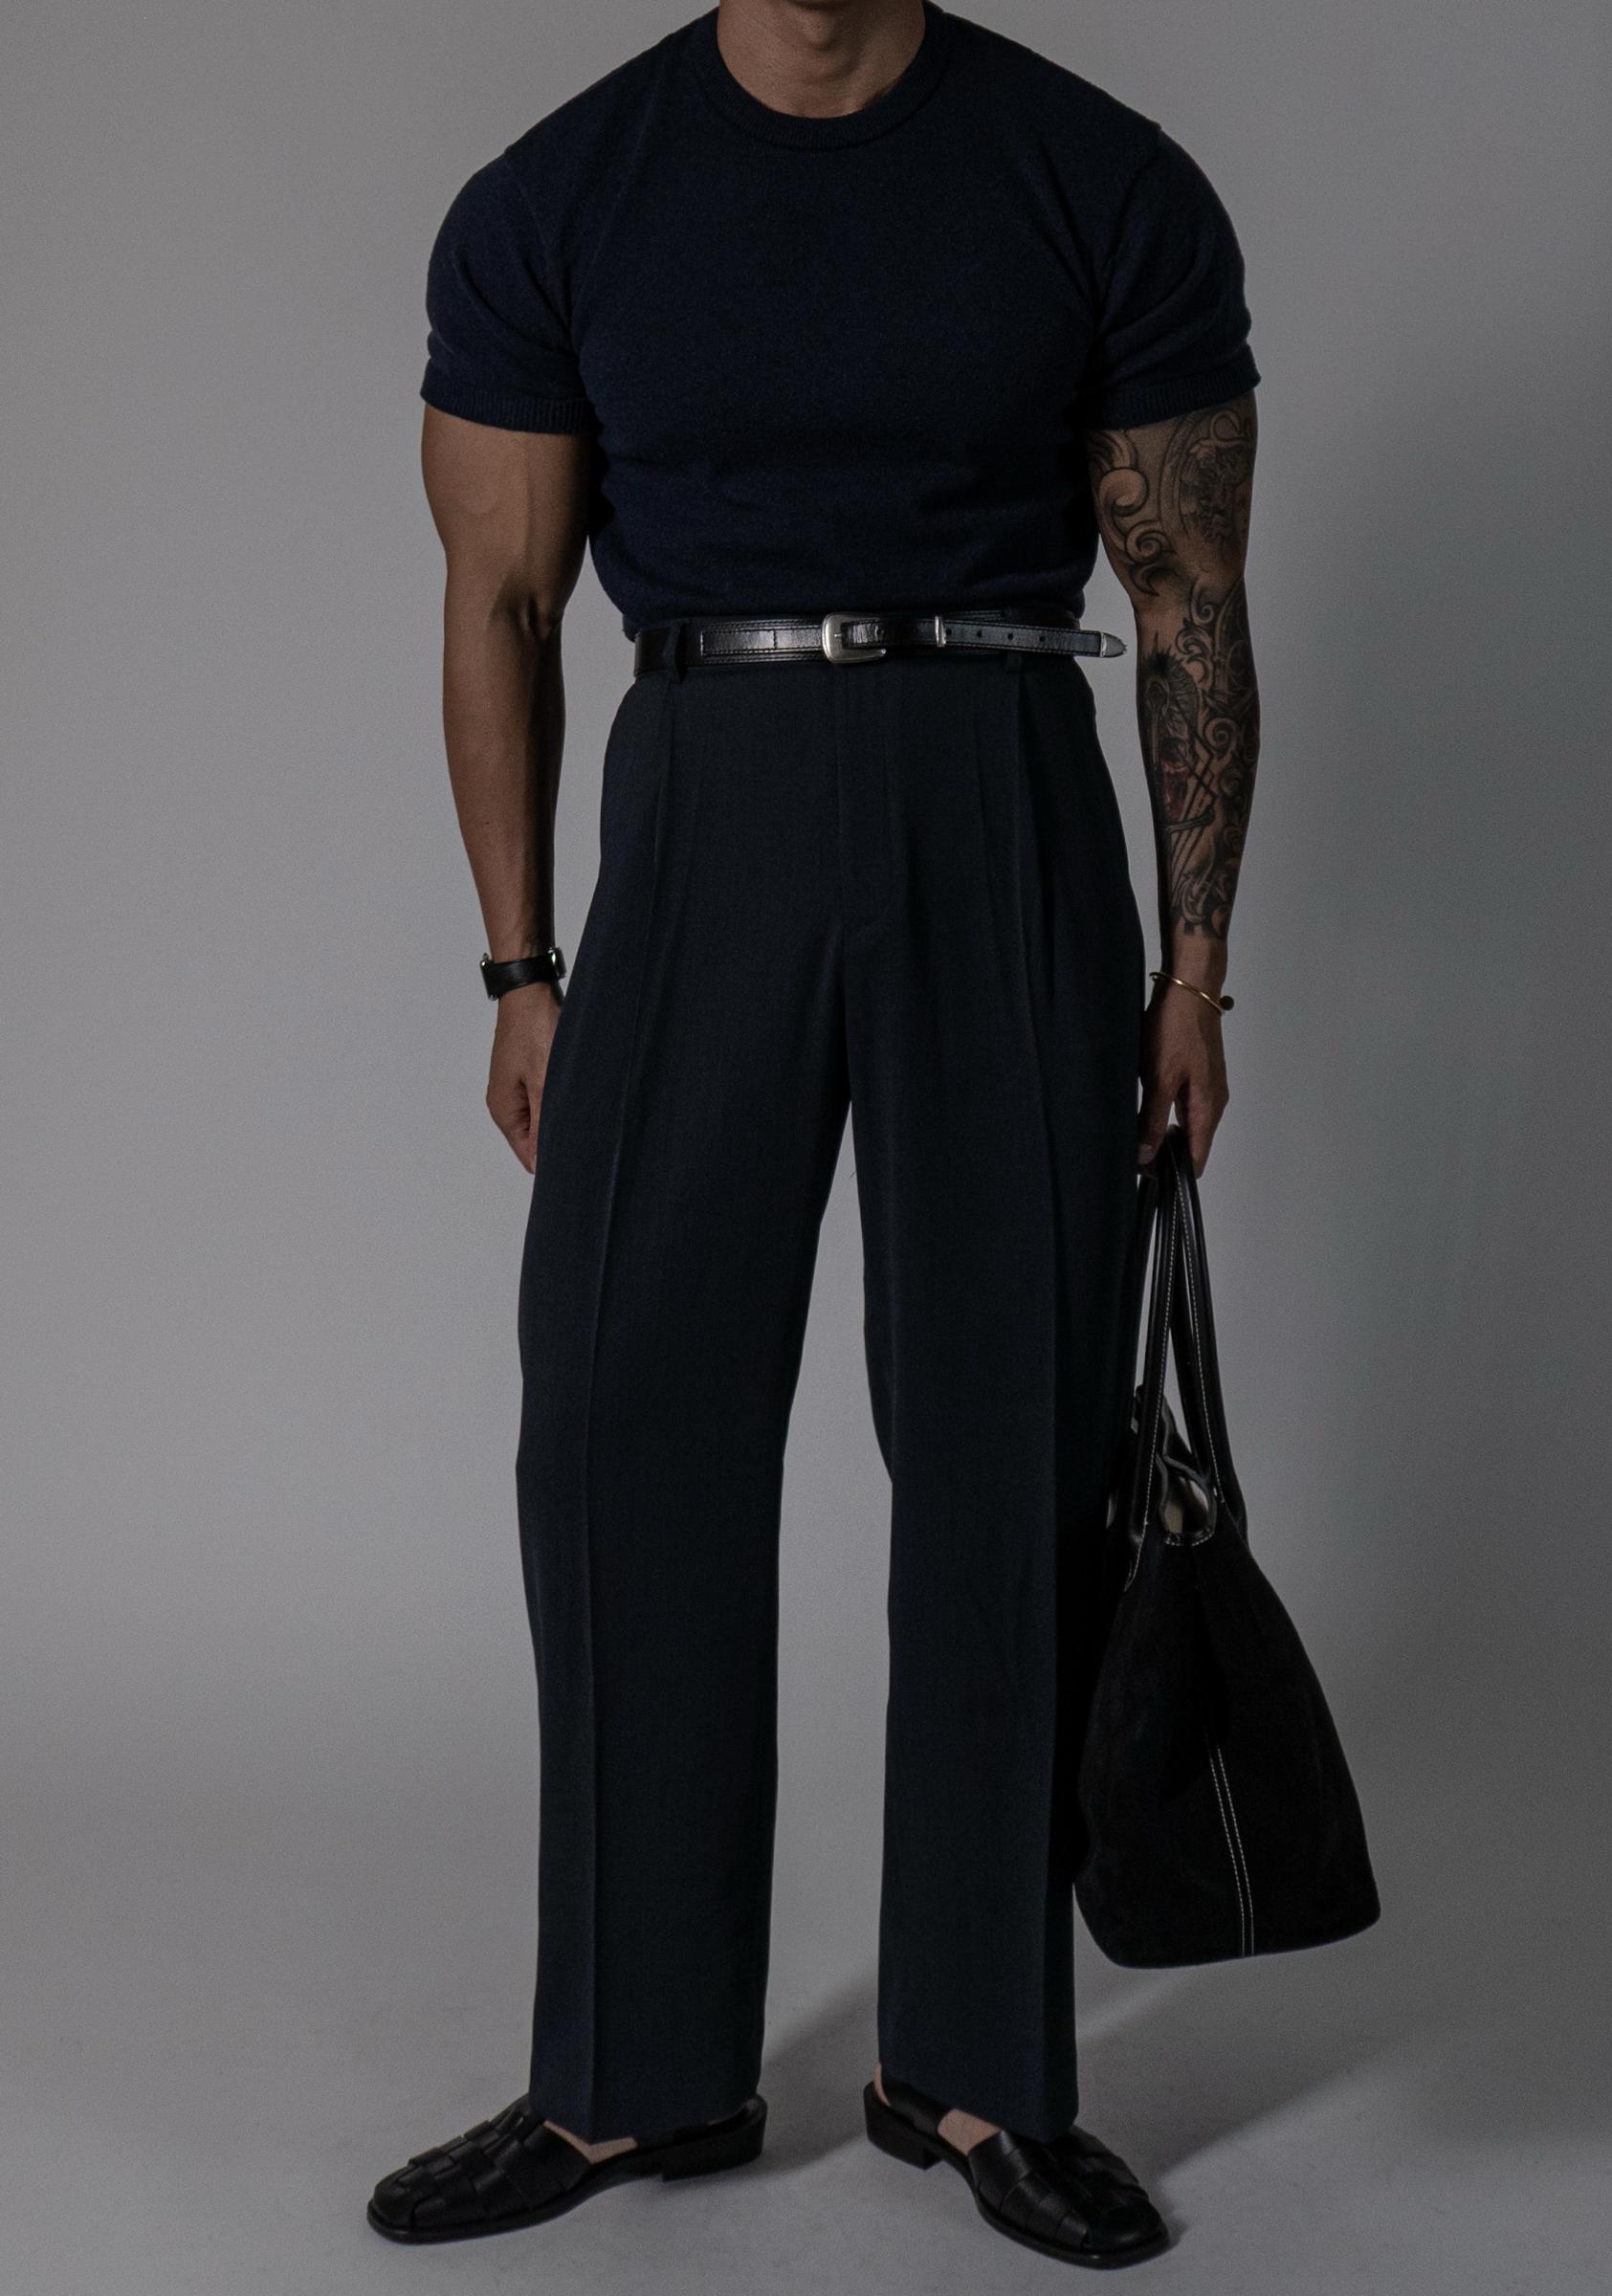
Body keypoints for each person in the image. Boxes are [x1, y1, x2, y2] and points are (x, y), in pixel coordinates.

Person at [367, 0, 1260, 2268]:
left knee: (1011, 1439)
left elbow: (1184, 590)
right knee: (622, 1427)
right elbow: (499, 593)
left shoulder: (1096, 177)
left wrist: (1189, 968)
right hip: (708, 788)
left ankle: (977, 2066)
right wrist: (520, 962)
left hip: (1000, 783)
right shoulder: (561, 199)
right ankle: (630, 2075)